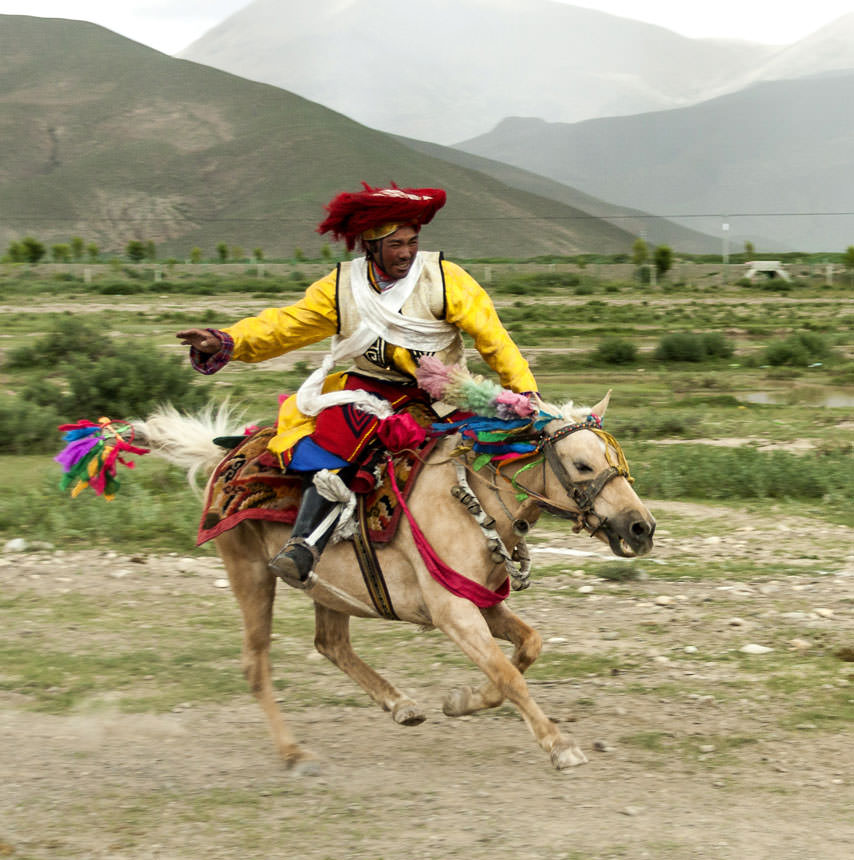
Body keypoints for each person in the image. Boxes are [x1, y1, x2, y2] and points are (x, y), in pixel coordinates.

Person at [177, 183, 537, 589]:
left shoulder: (444, 279)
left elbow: (494, 338)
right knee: (332, 441)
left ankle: (512, 538)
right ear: (370, 246)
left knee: (504, 447)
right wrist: (227, 340)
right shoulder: (341, 287)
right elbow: (285, 326)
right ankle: (304, 545)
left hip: (443, 393)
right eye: (395, 243)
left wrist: (522, 390)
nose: (406, 252)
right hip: (370, 390)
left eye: (412, 241)